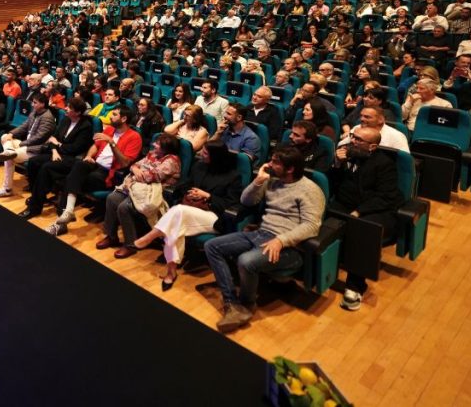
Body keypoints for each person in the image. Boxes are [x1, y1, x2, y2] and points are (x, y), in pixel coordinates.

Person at [204, 147, 325, 333]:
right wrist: (258, 182)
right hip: (260, 233)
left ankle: (247, 304)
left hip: (290, 248)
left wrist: (281, 240)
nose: (269, 164)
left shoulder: (310, 190)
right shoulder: (272, 181)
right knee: (212, 246)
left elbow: (311, 226)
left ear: (290, 168)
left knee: (246, 261)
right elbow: (247, 201)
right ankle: (231, 303)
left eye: (275, 162)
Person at [133, 142, 244, 290]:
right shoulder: (199, 166)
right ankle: (171, 272)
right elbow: (184, 184)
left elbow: (230, 203)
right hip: (190, 209)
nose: (201, 154)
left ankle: (151, 236)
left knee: (178, 212)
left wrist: (208, 196)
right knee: (176, 224)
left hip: (213, 216)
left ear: (216, 157)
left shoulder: (233, 176)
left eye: (205, 153)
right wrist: (191, 192)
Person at [328, 126, 403, 311]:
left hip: (375, 209)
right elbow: (334, 184)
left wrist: (359, 211)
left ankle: (355, 286)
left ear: (372, 147)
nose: (353, 141)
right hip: (345, 204)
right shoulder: (346, 156)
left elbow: (386, 196)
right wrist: (336, 164)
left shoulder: (385, 164)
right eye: (353, 137)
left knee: (362, 231)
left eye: (359, 140)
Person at [46, 106, 143, 237]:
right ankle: (67, 212)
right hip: (94, 164)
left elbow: (125, 162)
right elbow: (95, 146)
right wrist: (89, 156)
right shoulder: (109, 129)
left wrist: (112, 143)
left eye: (114, 114)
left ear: (124, 118)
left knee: (70, 179)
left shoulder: (135, 137)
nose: (110, 117)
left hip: (108, 173)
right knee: (79, 165)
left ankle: (61, 221)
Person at [99, 133, 182, 259]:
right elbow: (134, 165)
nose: (154, 144)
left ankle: (130, 245)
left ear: (166, 149)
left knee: (124, 207)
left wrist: (132, 178)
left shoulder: (171, 161)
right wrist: (136, 170)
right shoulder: (153, 154)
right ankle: (111, 236)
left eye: (158, 144)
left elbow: (150, 177)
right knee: (112, 198)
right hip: (138, 187)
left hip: (154, 193)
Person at [19, 97, 94, 219]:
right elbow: (53, 137)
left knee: (46, 167)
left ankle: (34, 208)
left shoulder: (85, 126)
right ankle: (38, 195)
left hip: (72, 159)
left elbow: (75, 148)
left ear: (78, 112)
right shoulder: (65, 119)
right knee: (33, 162)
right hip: (57, 153)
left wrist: (58, 145)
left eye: (69, 107)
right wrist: (54, 150)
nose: (66, 108)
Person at [0, 92, 56, 194]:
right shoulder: (34, 113)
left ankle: (7, 189)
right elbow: (24, 126)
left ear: (43, 104)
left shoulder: (47, 118)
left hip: (35, 149)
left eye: (35, 103)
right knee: (5, 137)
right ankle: (9, 150)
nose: (32, 104)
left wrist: (22, 144)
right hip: (26, 145)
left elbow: (38, 138)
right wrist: (11, 134)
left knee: (9, 158)